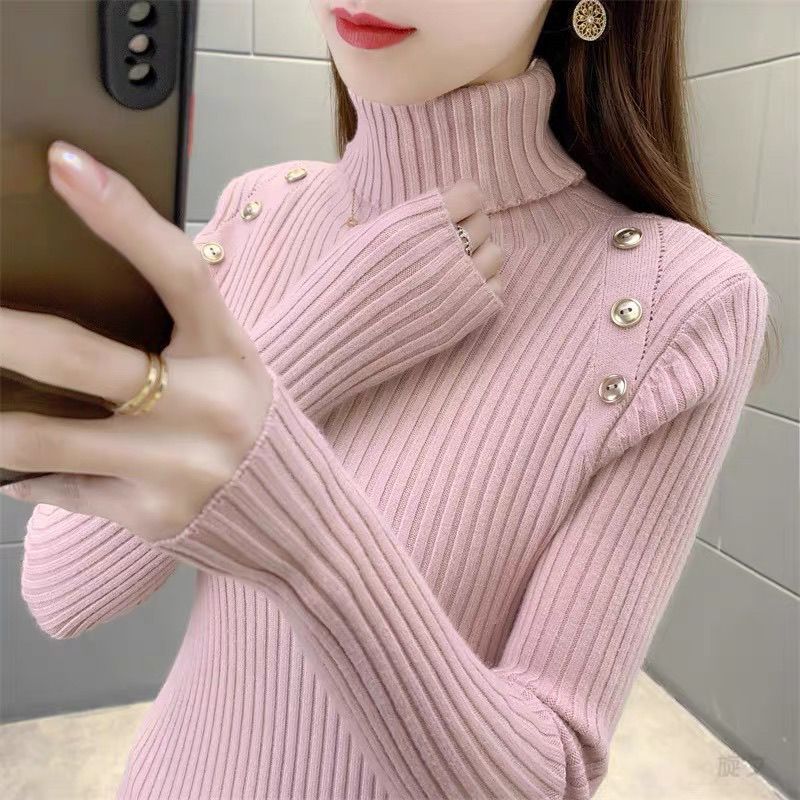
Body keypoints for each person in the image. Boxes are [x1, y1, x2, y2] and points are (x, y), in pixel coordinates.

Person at [3, 2, 772, 799]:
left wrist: (301, 529)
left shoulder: (676, 303)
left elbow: (548, 777)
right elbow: (63, 590)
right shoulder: (259, 210)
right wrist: (326, 336)